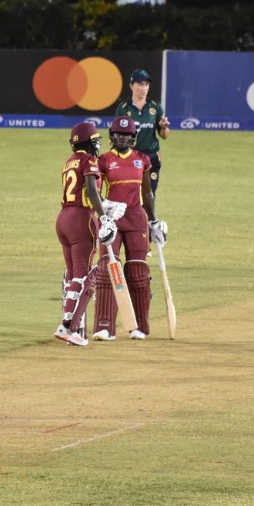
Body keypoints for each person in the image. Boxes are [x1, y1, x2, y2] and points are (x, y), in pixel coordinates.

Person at [92, 117, 161, 341]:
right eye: (119, 134)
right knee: (106, 269)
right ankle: (105, 326)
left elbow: (147, 195)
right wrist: (105, 210)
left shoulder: (142, 159)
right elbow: (95, 192)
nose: (122, 138)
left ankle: (139, 326)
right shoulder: (103, 160)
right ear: (112, 136)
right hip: (112, 218)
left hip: (136, 216)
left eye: (127, 135)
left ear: (133, 138)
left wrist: (154, 222)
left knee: (138, 271)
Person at [53, 122, 111, 347]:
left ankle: (68, 326)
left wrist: (107, 205)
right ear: (89, 141)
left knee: (71, 274)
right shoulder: (89, 160)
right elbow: (91, 190)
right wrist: (104, 217)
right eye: (96, 139)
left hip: (63, 218)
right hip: (81, 220)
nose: (98, 143)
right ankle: (68, 327)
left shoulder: (69, 162)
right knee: (82, 275)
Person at [115, 69, 170, 207]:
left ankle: (148, 225)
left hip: (151, 157)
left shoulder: (155, 108)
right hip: (130, 157)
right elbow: (115, 135)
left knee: (149, 194)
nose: (144, 88)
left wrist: (164, 127)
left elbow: (164, 136)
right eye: (140, 84)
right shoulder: (123, 108)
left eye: (146, 84)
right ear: (131, 85)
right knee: (130, 194)